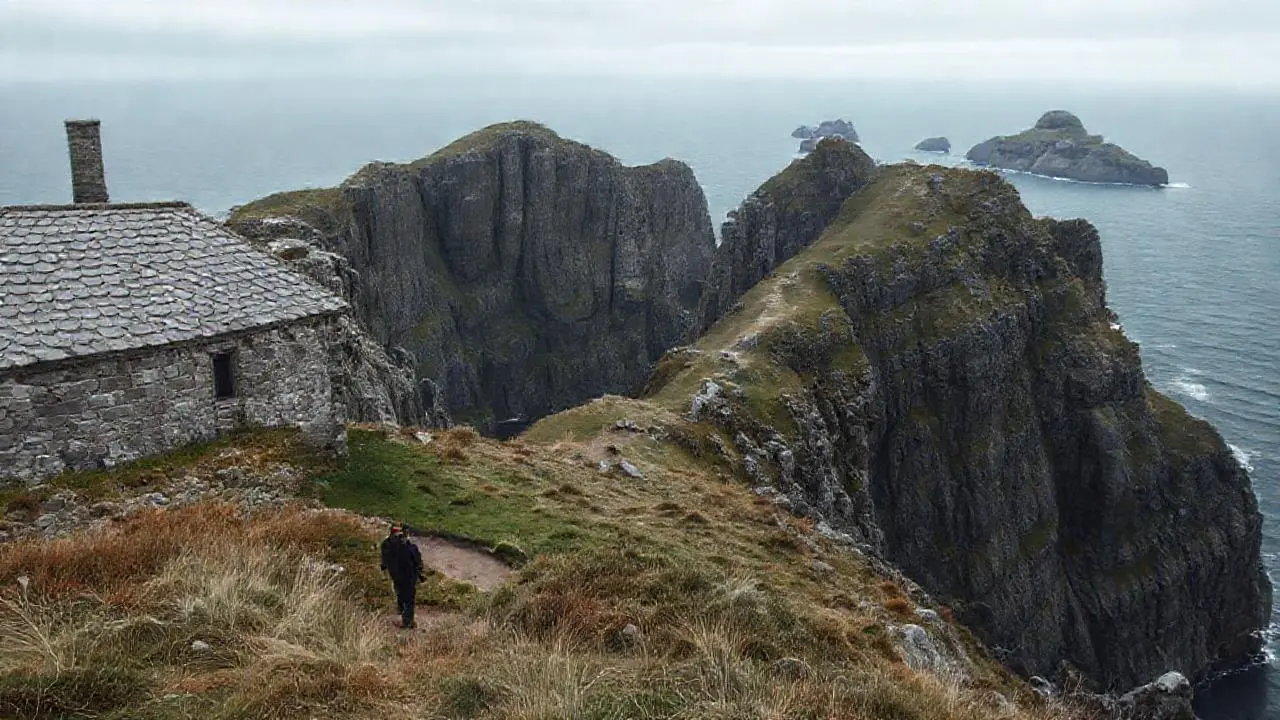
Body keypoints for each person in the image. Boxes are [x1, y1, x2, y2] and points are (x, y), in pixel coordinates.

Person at [379, 523, 424, 628]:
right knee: (409, 598)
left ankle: (402, 613)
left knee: (401, 594)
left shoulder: (386, 544)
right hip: (408, 577)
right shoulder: (408, 546)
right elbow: (416, 560)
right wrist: (420, 570)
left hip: (396, 575)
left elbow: (384, 561)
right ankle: (407, 621)